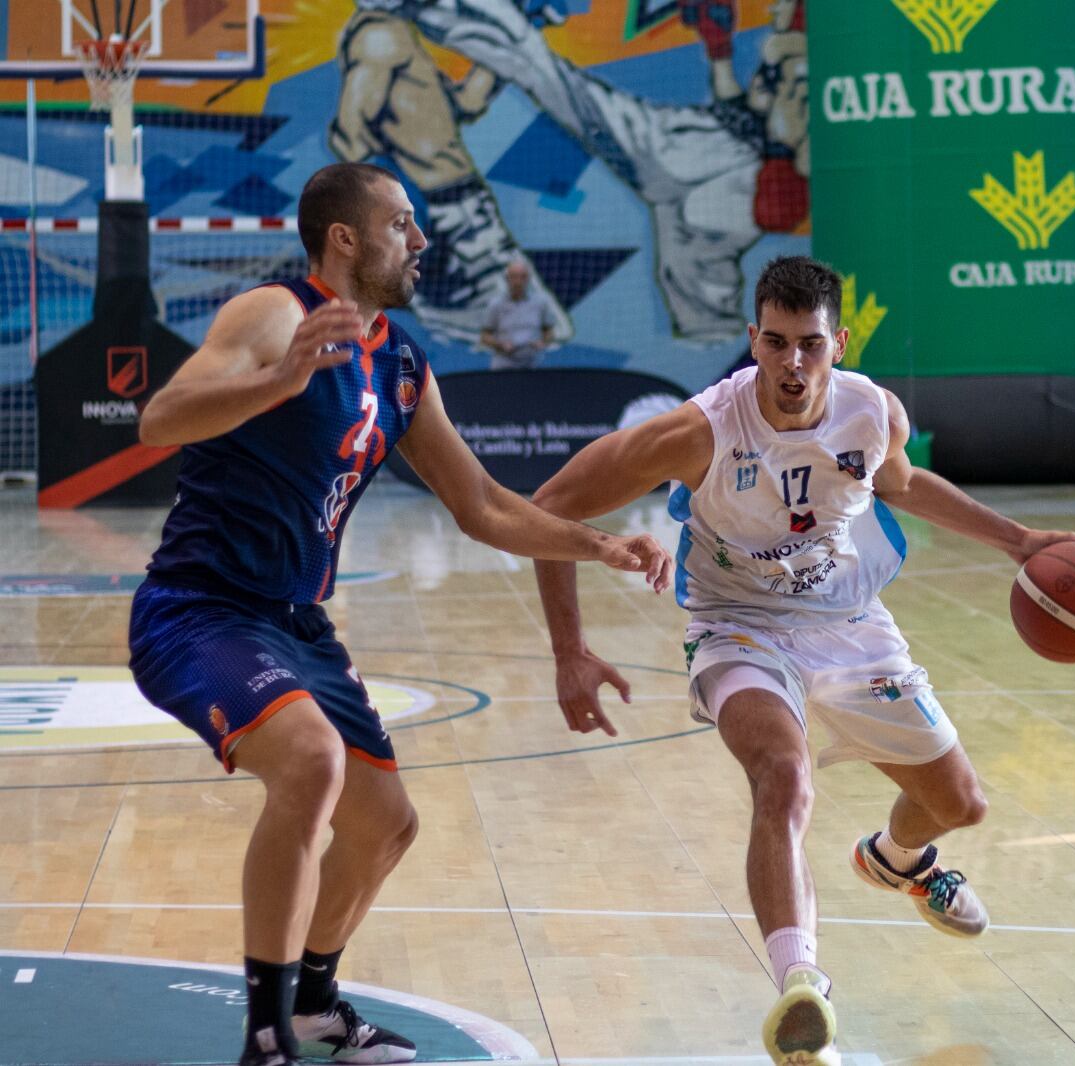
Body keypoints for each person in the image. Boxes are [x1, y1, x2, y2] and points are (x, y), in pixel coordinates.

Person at [130, 161, 670, 1066]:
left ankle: (314, 1007)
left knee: (387, 823)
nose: (420, 240)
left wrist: (598, 544)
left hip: (297, 623)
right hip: (200, 609)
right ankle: (265, 1038)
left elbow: (483, 506)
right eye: (401, 223)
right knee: (312, 762)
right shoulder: (274, 315)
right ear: (345, 238)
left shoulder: (403, 360)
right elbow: (161, 418)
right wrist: (279, 381)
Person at [527, 256, 1075, 1065]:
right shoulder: (700, 432)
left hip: (850, 621)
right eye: (776, 343)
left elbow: (902, 484)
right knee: (782, 777)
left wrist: (1018, 540)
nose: (792, 363)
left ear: (838, 344)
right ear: (753, 340)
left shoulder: (872, 412)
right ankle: (802, 989)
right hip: (738, 625)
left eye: (810, 345)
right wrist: (569, 651)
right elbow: (550, 507)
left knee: (962, 804)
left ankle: (895, 860)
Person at [366, 0, 811, 341]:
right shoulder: (788, 50)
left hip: (717, 166)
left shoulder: (809, 59)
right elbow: (749, 113)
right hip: (716, 161)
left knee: (548, 74)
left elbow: (793, 141)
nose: (774, 9)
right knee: (702, 315)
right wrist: (719, 52)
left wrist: (777, 173)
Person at [330, 5, 572, 344]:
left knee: (532, 329)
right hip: (448, 213)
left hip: (460, 206)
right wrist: (400, 194)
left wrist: (514, 42)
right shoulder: (380, 37)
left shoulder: (400, 36)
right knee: (537, 330)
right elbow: (350, 139)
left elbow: (464, 104)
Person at [480, 259, 562, 369]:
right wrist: (500, 344)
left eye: (522, 277)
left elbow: (549, 332)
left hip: (532, 365)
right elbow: (485, 336)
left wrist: (543, 342)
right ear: (507, 279)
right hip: (503, 365)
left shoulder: (540, 303)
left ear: (528, 279)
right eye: (514, 277)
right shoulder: (495, 305)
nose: (518, 282)